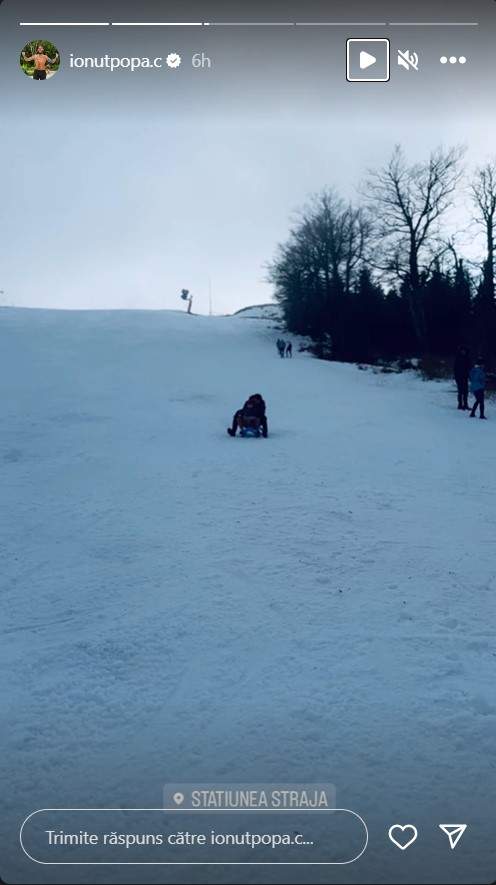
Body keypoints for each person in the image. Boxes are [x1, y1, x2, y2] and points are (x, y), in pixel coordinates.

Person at [454, 345, 471, 410]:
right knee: (460, 391)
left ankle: (465, 404)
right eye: (462, 351)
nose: (463, 352)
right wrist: (456, 377)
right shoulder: (458, 358)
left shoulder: (467, 358)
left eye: (464, 351)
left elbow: (469, 367)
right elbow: (455, 368)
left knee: (466, 391)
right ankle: (460, 404)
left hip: (465, 377)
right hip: (459, 377)